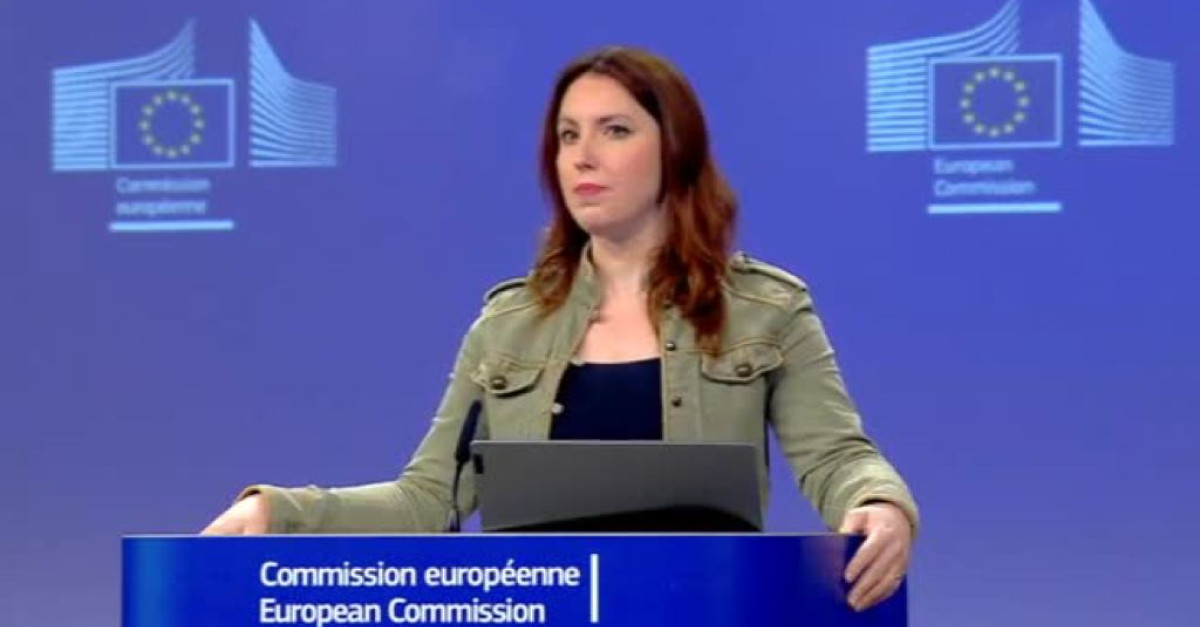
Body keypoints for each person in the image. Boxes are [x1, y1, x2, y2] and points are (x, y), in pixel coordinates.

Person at [203, 45, 918, 612]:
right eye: (568, 135)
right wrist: (283, 511)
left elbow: (837, 456)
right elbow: (427, 500)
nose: (583, 155)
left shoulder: (767, 309)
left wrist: (880, 504)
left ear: (674, 149)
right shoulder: (507, 325)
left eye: (615, 130)